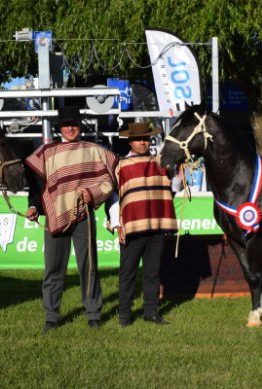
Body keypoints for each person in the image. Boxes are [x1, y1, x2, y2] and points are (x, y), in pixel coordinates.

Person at [25, 106, 118, 331]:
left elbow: (109, 179)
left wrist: (93, 194)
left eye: (74, 124)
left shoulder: (94, 151)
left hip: (84, 215)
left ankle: (93, 313)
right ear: (59, 128)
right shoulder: (48, 153)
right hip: (55, 215)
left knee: (89, 265)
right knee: (53, 267)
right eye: (66, 124)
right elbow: (37, 184)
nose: (70, 128)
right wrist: (34, 206)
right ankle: (51, 315)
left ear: (79, 126)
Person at [109, 122, 178, 326]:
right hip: (132, 226)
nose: (143, 142)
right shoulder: (121, 166)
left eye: (146, 139)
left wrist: (182, 172)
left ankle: (151, 312)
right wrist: (117, 223)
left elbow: (173, 187)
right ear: (130, 141)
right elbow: (113, 196)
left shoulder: (160, 163)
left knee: (152, 272)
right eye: (139, 139)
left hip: (156, 225)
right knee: (127, 272)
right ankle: (124, 315)